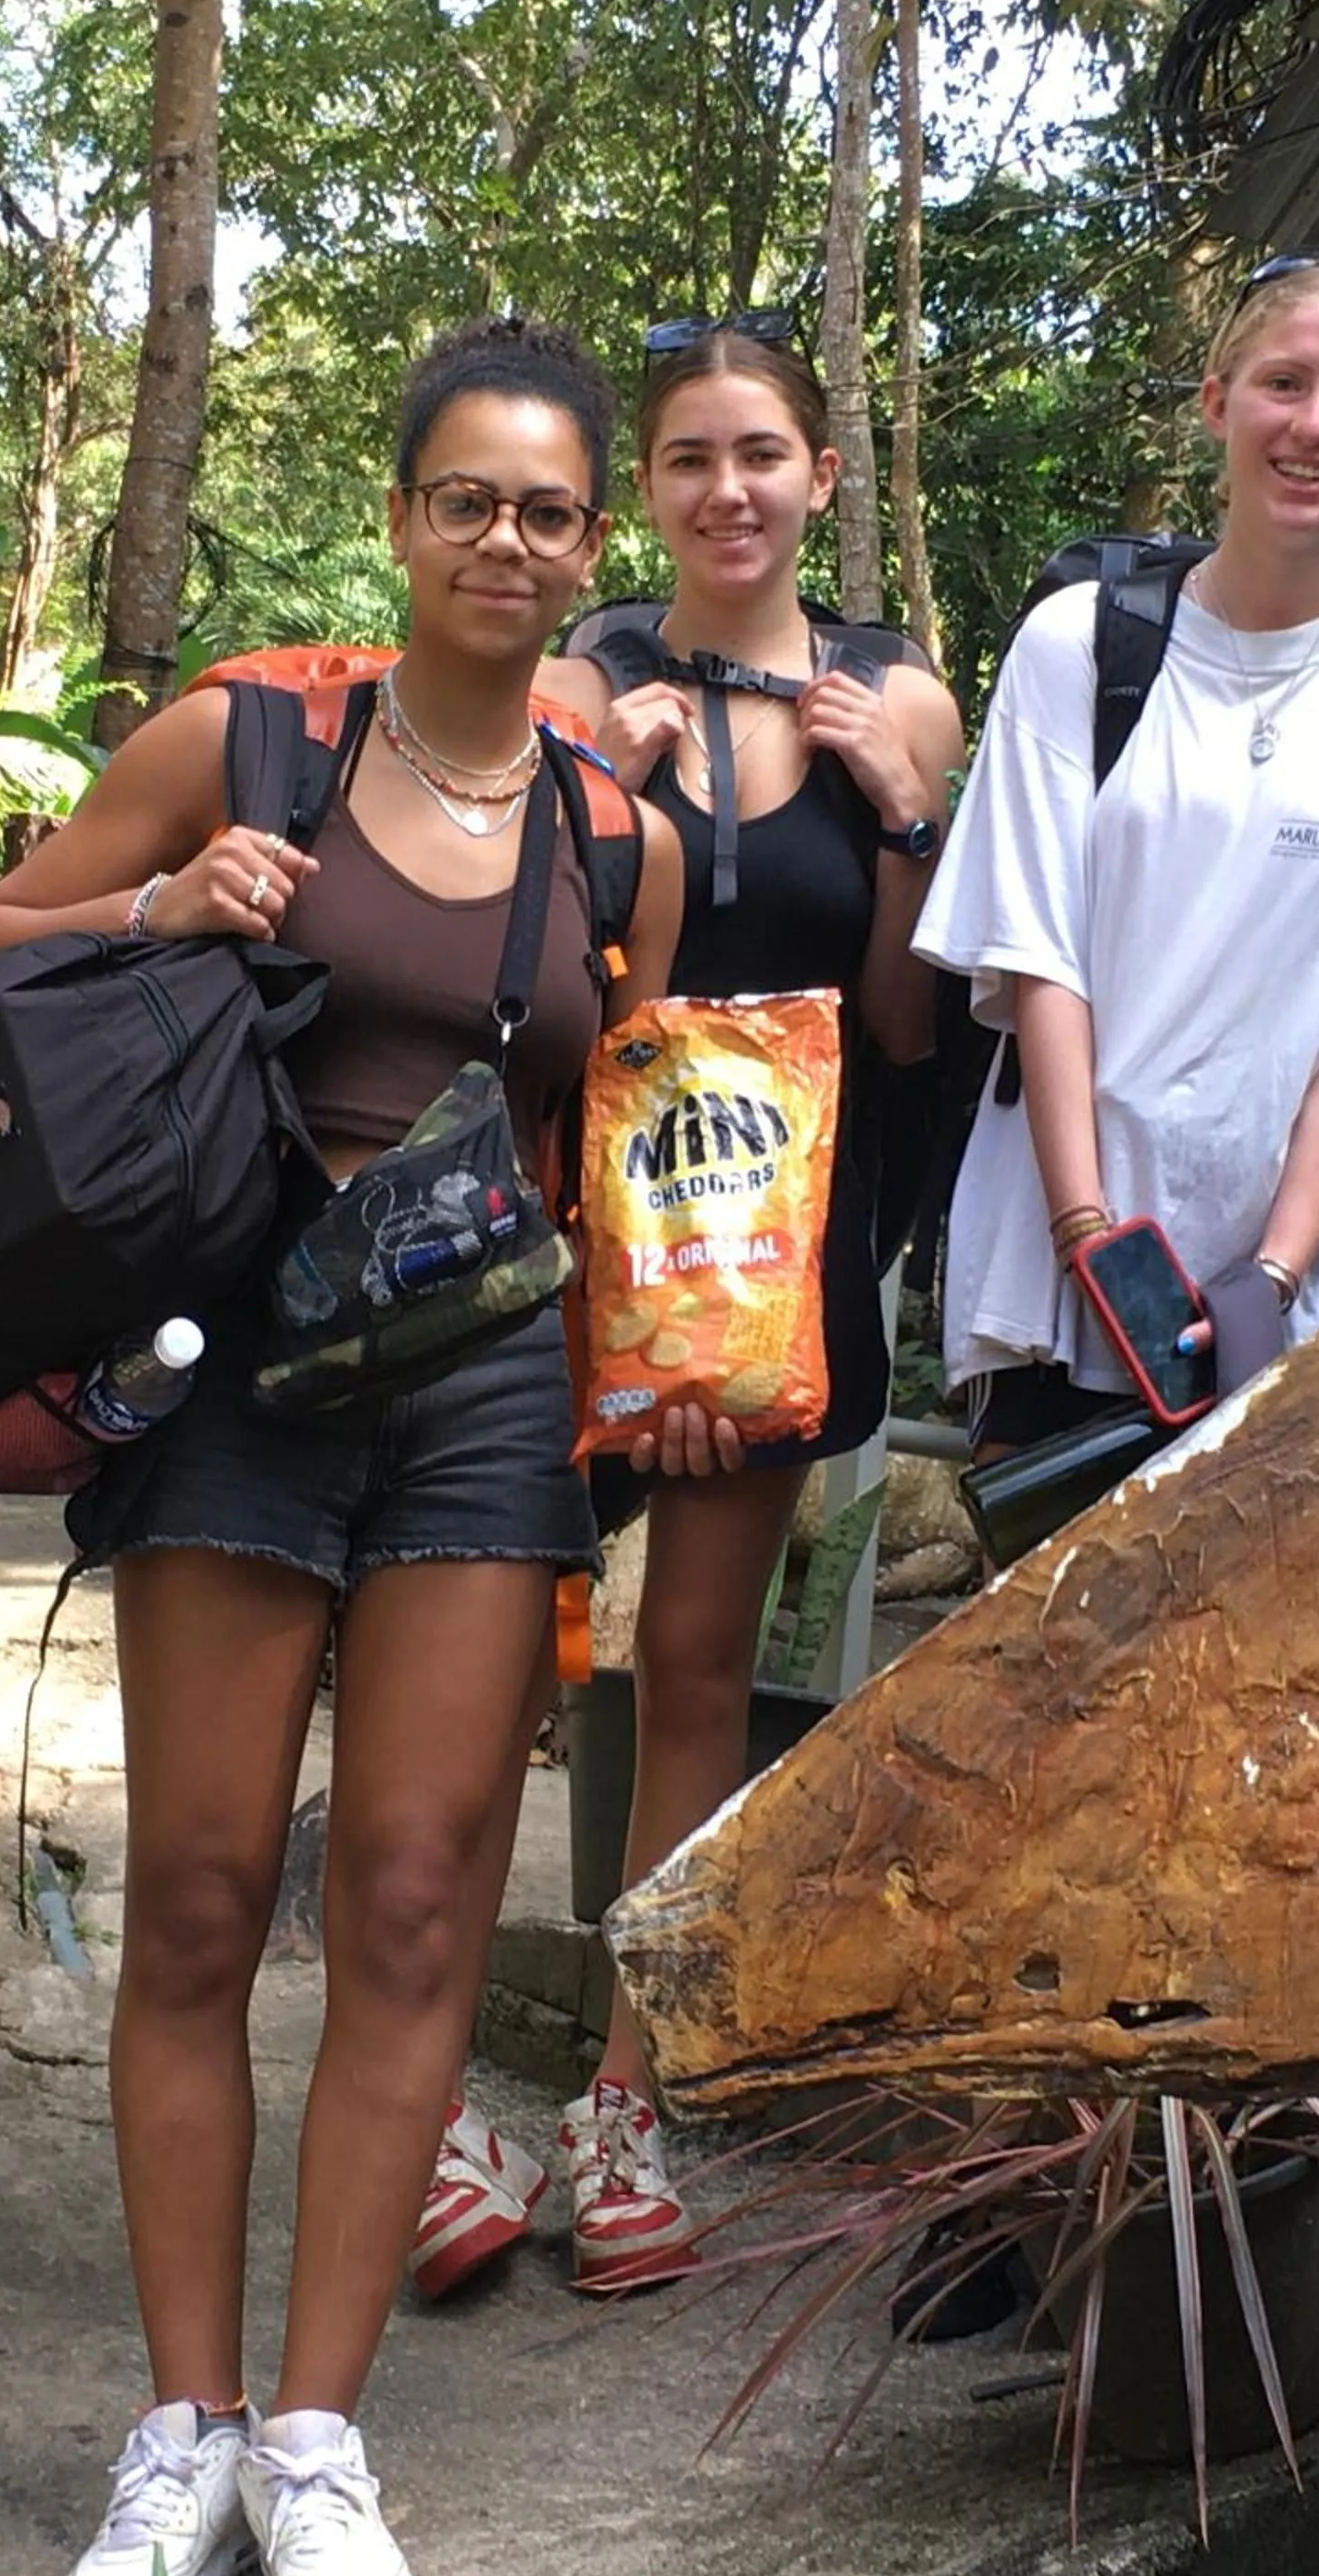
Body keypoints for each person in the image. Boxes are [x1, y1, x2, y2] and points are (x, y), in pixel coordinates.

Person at [0, 314, 682, 2576]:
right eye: (466, 495)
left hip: (476, 1389)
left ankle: (316, 2439)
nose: (505, 538)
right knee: (199, 1895)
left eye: (549, 509)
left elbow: (614, 1109)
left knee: (425, 1900)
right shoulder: (244, 743)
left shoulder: (613, 831)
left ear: (587, 552)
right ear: (404, 515)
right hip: (240, 1354)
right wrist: (158, 908)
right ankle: (180, 2436)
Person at [407, 317, 962, 2304]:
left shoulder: (900, 690)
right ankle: (444, 2096)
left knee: (699, 1674)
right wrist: (587, 790)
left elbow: (910, 1018)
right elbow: (508, 975)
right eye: (687, 461)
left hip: (768, 1257)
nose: (727, 491)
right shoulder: (585, 673)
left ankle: (633, 2102)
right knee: (492, 1678)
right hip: (563, 1251)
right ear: (642, 494)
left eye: (762, 455)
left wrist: (903, 812)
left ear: (818, 474)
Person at [917, 245, 1319, 1463]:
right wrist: (1085, 1230)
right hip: (1058, 1284)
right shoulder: (1076, 650)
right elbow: (1038, 956)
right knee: (1050, 1648)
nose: (1315, 425)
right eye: (1283, 384)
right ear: (1218, 402)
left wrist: (1272, 1274)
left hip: (1299, 1293)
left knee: (1273, 1655)